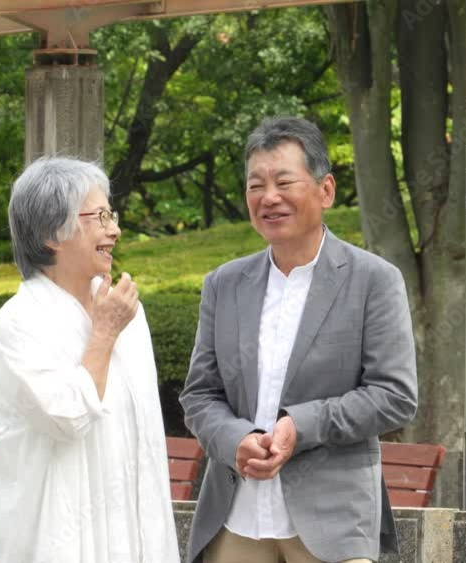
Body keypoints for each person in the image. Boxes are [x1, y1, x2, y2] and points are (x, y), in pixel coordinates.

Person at [181, 116, 418, 563]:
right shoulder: (224, 284)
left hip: (333, 522)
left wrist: (300, 426)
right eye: (256, 185)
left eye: (284, 182)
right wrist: (235, 439)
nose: (269, 197)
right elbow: (199, 395)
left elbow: (394, 396)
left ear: (325, 190)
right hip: (236, 518)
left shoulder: (373, 280)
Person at [0, 157, 180, 563]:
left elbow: (146, 438)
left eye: (112, 214)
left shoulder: (126, 311)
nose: (115, 229)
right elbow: (67, 417)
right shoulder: (19, 322)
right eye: (100, 216)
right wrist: (103, 334)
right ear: (51, 233)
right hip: (59, 543)